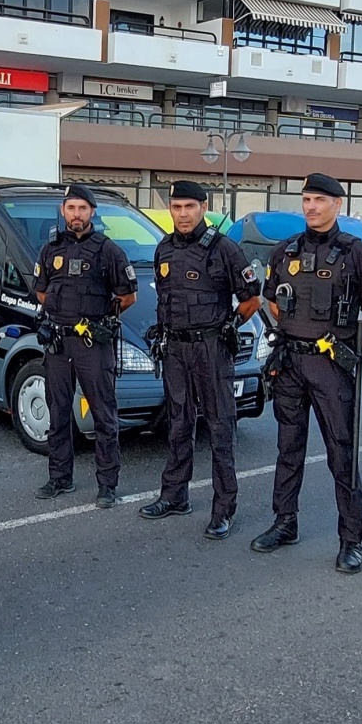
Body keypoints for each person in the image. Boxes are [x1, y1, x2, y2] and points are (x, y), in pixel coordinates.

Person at [250, 173, 362, 573]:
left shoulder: (356, 253)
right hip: (291, 363)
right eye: (307, 199)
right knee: (288, 448)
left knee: (341, 453)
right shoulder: (285, 250)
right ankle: (285, 522)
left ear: (337, 206)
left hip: (331, 366)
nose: (311, 206)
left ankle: (351, 539)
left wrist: (346, 348)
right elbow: (273, 301)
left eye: (320, 200)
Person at [139, 181, 263, 539]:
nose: (182, 214)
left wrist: (230, 325)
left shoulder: (224, 248)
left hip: (210, 349)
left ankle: (223, 510)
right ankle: (174, 495)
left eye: (189, 207)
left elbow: (251, 298)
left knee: (221, 428)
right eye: (176, 207)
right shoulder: (163, 248)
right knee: (178, 424)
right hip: (175, 349)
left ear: (203, 207)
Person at [33, 184, 138, 506]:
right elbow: (40, 290)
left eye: (82, 208)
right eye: (70, 208)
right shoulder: (50, 249)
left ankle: (107, 485)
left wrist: (95, 321)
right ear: (63, 211)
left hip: (92, 343)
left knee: (104, 415)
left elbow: (128, 297)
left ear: (92, 212)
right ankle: (59, 478)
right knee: (58, 412)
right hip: (58, 343)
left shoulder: (109, 251)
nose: (76, 214)